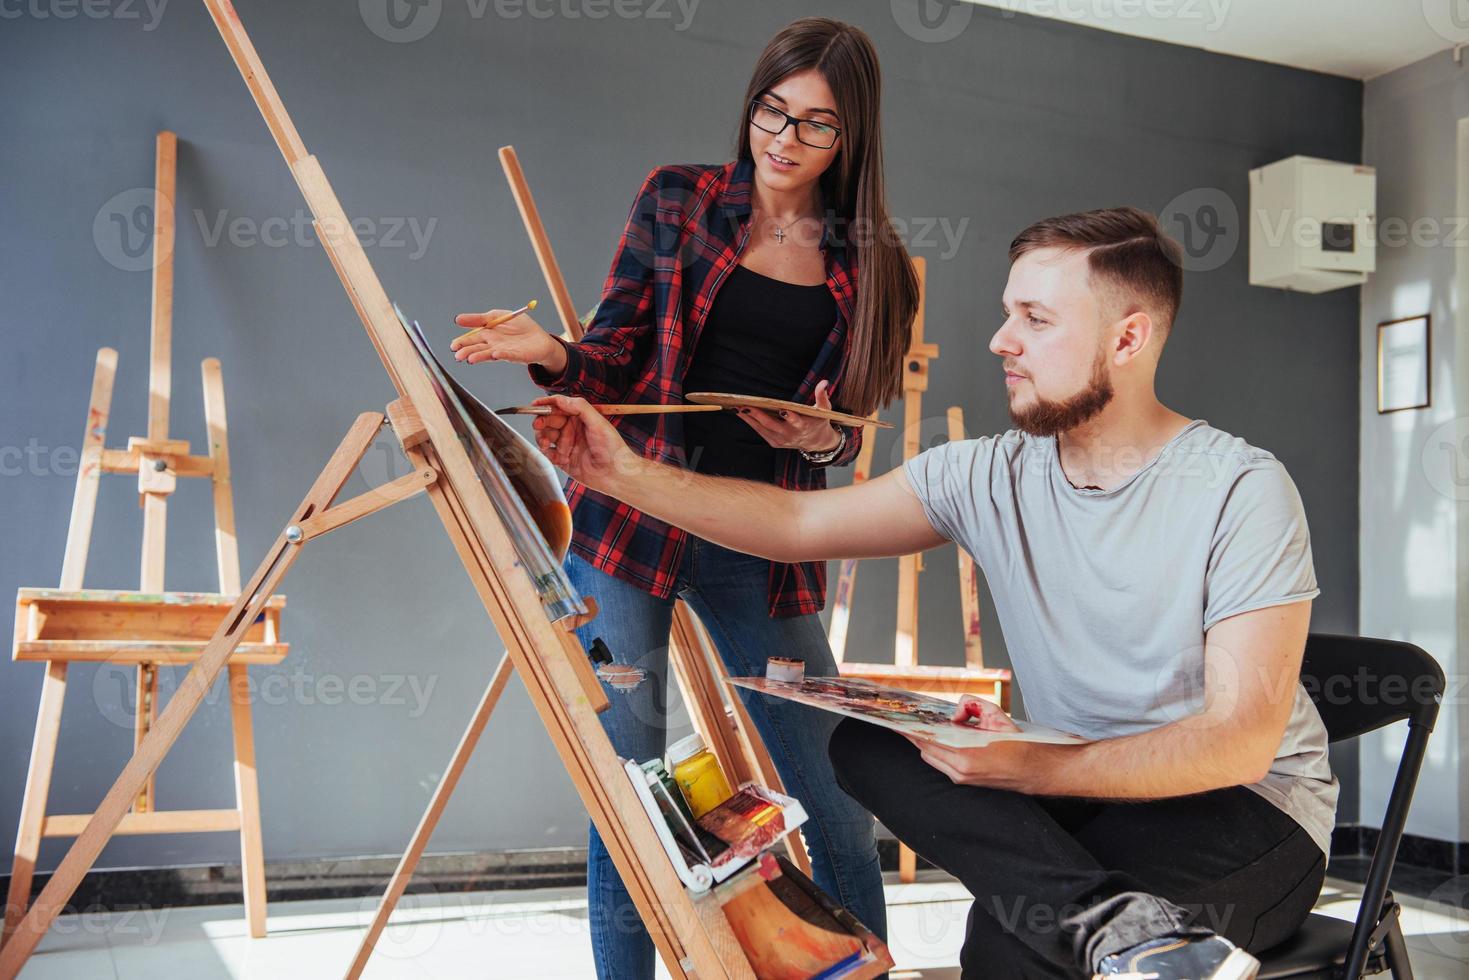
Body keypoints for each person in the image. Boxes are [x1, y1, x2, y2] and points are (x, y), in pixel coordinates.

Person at [526, 207, 1337, 980]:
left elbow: (1236, 744)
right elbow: (794, 524)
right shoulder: (984, 473)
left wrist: (1032, 770)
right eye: (1006, 312)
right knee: (868, 744)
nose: (1000, 340)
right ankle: (1114, 927)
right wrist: (620, 473)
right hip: (1073, 779)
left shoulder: (1237, 486)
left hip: (1243, 807)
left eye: (1035, 319)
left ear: (1127, 338)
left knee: (1015, 950)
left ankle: (1109, 931)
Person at [450, 17, 919, 979]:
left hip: (762, 542)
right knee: (636, 796)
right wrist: (547, 353)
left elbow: (853, 420)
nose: (783, 140)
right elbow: (613, 351)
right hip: (626, 528)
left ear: (852, 139)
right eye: (771, 111)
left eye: (815, 125)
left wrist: (816, 432)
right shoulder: (677, 201)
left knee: (828, 788)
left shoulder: (873, 264)